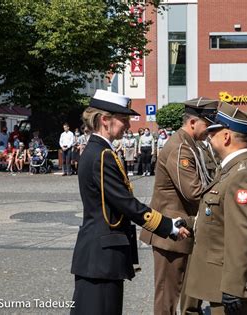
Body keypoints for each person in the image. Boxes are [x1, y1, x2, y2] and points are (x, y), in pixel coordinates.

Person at [70, 89, 190, 315]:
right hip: (101, 255)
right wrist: (167, 225)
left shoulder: (100, 150)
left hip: (101, 253)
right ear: (105, 120)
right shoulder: (102, 154)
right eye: (123, 119)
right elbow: (125, 203)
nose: (128, 125)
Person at [184, 101, 247, 315]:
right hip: (219, 280)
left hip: (229, 286)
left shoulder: (242, 175)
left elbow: (242, 235)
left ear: (226, 137)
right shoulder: (231, 170)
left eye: (213, 133)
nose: (209, 138)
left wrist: (232, 287)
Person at [140, 97, 219, 315]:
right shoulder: (181, 148)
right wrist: (224, 193)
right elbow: (192, 191)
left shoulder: (190, 144)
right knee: (167, 297)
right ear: (193, 122)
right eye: (207, 125)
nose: (209, 130)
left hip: (182, 228)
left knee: (176, 291)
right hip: (171, 231)